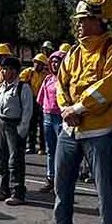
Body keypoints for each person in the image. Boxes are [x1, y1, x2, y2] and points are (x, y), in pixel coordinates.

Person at [39, 0, 112, 224]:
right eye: (77, 20)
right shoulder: (74, 53)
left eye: (84, 20)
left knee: (105, 190)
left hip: (100, 130)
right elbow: (61, 84)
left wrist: (79, 107)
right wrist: (68, 110)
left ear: (100, 21)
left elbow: (110, 87)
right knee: (62, 185)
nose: (78, 25)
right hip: (70, 127)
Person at [0, 56, 32, 205]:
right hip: (1, 122)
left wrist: (22, 129)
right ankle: (4, 189)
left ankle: (18, 192)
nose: (3, 72)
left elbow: (28, 110)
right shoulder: (1, 87)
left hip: (14, 124)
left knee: (15, 159)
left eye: (7, 69)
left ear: (14, 71)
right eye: (3, 69)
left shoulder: (23, 87)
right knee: (2, 157)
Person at [36, 50, 65, 193]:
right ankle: (50, 178)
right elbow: (41, 99)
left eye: (57, 61)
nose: (54, 64)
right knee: (50, 150)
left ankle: (61, 180)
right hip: (47, 116)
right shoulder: (48, 79)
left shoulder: (67, 79)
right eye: (52, 61)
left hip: (61, 118)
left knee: (61, 151)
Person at [19, 54, 47, 154]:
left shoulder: (45, 75)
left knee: (42, 125)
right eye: (36, 62)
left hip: (42, 101)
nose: (37, 65)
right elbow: (20, 81)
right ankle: (31, 146)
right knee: (31, 124)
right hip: (31, 101)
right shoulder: (28, 72)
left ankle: (42, 147)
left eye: (40, 63)